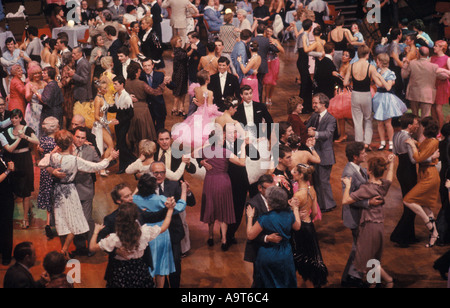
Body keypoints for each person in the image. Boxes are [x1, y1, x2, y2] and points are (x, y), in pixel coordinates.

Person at [38, 130, 119, 258]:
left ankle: (64, 250)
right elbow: (97, 166)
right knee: (76, 221)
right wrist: (110, 158)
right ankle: (64, 249)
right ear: (70, 143)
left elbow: (41, 163)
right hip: (70, 192)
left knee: (61, 222)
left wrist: (53, 153)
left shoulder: (54, 157)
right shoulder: (74, 160)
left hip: (58, 192)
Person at [90, 201, 176, 288]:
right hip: (140, 270)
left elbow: (92, 248)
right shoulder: (144, 233)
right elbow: (164, 227)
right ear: (136, 217)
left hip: (120, 272)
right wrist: (170, 209)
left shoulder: (115, 238)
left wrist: (96, 231)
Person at [341, 154, 396, 288]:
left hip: (369, 227)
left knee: (365, 259)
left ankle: (388, 280)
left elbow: (345, 201)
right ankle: (373, 283)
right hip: (379, 226)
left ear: (369, 171)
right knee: (373, 257)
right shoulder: (383, 185)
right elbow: (390, 176)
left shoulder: (366, 189)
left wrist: (347, 185)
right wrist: (391, 163)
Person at [133, 174, 187, 288]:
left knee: (145, 262)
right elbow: (180, 207)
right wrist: (184, 191)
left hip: (142, 234)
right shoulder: (160, 199)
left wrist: (135, 190)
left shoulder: (134, 199)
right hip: (161, 234)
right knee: (160, 266)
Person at [197, 129, 247, 251]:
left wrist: (203, 161)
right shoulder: (225, 151)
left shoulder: (204, 151)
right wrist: (243, 146)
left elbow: (192, 154)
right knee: (224, 210)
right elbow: (242, 163)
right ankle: (224, 240)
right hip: (223, 181)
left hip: (209, 181)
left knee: (210, 208)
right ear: (220, 140)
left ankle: (210, 237)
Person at [246, 186, 301, 288]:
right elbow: (297, 226)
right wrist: (295, 208)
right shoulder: (289, 215)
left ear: (269, 201)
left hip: (268, 254)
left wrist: (250, 217)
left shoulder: (265, 218)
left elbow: (250, 235)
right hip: (285, 254)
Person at [403, 119, 441, 248]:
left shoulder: (433, 141)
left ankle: (428, 224)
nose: (421, 128)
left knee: (408, 200)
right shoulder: (429, 140)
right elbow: (424, 151)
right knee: (426, 206)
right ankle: (435, 234)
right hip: (424, 174)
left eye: (423, 126)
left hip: (430, 176)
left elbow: (418, 158)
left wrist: (413, 146)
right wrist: (417, 144)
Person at [290, 163, 328, 288]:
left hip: (301, 229)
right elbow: (315, 212)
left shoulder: (298, 195)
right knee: (312, 256)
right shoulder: (312, 190)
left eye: (295, 172)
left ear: (301, 175)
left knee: (302, 257)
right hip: (310, 226)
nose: (292, 173)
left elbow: (292, 218)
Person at [0, 109, 39, 229]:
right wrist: (19, 138)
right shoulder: (7, 131)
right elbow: (8, 148)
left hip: (25, 160)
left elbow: (36, 141)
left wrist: (24, 137)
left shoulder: (26, 129)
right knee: (12, 188)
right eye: (12, 117)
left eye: (16, 117)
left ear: (21, 118)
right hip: (12, 159)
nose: (13, 120)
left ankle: (25, 219)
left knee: (25, 191)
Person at [344, 45, 388, 150]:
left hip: (355, 94)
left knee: (357, 120)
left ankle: (359, 143)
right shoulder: (371, 67)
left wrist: (351, 79)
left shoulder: (352, 66)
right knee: (368, 119)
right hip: (366, 95)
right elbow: (379, 84)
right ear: (367, 54)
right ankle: (366, 143)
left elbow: (345, 82)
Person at [401, 47, 450, 137]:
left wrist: (405, 64)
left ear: (419, 54)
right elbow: (444, 76)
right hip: (427, 94)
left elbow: (404, 75)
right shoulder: (433, 66)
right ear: (428, 55)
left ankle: (415, 136)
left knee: (414, 116)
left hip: (414, 93)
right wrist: (444, 70)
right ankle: (422, 138)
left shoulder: (412, 63)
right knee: (425, 118)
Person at [390, 113, 421, 247]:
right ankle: (399, 235)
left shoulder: (396, 134)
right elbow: (414, 160)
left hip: (401, 170)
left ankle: (409, 236)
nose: (417, 126)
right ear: (409, 126)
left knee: (408, 203)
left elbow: (396, 152)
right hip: (409, 172)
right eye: (416, 123)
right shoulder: (407, 138)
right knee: (411, 204)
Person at [172, 70, 222, 151]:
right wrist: (219, 113)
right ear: (207, 80)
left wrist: (197, 102)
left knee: (196, 132)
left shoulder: (196, 89)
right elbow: (209, 108)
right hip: (206, 115)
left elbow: (201, 103)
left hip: (198, 112)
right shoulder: (209, 92)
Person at [305, 93, 337, 212]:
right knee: (317, 181)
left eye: (316, 103)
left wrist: (315, 134)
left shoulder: (331, 119)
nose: (313, 105)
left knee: (323, 181)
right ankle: (321, 204)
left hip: (325, 155)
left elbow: (328, 134)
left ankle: (329, 204)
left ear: (323, 104)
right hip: (315, 154)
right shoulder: (314, 116)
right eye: (313, 103)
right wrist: (308, 130)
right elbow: (307, 127)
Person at [125, 61, 165, 155]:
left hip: (131, 111)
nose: (140, 73)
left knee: (134, 135)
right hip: (143, 111)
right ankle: (145, 154)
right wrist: (163, 84)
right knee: (144, 135)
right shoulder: (141, 83)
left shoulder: (125, 83)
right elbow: (155, 92)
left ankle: (134, 153)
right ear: (136, 73)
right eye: (139, 71)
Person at [372, 53, 407, 151]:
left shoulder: (390, 73)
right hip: (379, 98)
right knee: (379, 122)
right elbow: (379, 84)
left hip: (387, 99)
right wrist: (382, 79)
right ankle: (382, 142)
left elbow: (388, 87)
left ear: (378, 62)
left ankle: (391, 142)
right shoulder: (377, 72)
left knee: (388, 122)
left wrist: (381, 77)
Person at [37, 117, 59, 240]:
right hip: (54, 171)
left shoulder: (43, 140)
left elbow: (39, 153)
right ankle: (57, 224)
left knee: (47, 196)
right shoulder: (57, 141)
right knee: (55, 196)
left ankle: (47, 223)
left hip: (45, 172)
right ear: (55, 127)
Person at [91, 80, 118, 176]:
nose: (106, 90)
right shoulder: (98, 99)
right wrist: (109, 122)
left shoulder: (102, 97)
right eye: (104, 88)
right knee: (110, 145)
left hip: (103, 125)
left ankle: (102, 167)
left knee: (107, 146)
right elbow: (96, 116)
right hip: (99, 126)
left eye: (106, 88)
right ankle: (102, 168)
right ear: (99, 89)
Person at [328, 49, 353, 143]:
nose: (343, 56)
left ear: (350, 58)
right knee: (340, 117)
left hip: (345, 92)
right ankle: (342, 135)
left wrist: (337, 75)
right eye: (343, 55)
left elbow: (347, 81)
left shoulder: (349, 67)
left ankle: (361, 133)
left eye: (346, 55)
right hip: (340, 91)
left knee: (347, 117)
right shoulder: (343, 65)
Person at [35, 66, 64, 135]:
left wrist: (36, 92)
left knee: (50, 132)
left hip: (51, 113)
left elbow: (45, 99)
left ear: (49, 75)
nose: (42, 75)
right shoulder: (54, 84)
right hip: (56, 111)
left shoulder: (50, 86)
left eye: (44, 73)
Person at [431, 40, 450, 130]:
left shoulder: (447, 58)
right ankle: (435, 127)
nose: (434, 47)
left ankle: (441, 129)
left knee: (438, 107)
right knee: (432, 107)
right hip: (433, 83)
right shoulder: (432, 58)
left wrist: (442, 70)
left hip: (442, 85)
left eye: (436, 46)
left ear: (442, 48)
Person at [262, 26, 284, 106]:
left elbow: (282, 51)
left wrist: (274, 44)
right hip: (266, 62)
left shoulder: (275, 40)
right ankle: (267, 97)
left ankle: (269, 97)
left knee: (273, 82)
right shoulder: (263, 40)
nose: (268, 33)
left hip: (274, 62)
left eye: (270, 31)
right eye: (267, 31)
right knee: (267, 81)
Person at [24, 64, 46, 140]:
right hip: (32, 110)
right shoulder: (28, 85)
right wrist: (32, 92)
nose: (37, 75)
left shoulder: (44, 83)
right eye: (35, 74)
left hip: (43, 109)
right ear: (31, 75)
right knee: (33, 129)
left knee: (42, 129)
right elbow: (27, 98)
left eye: (39, 73)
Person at [0, 155, 14, 266]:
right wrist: (8, 171)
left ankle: (5, 253)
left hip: (6, 196)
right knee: (5, 227)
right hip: (2, 198)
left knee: (6, 226)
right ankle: (5, 256)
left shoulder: (3, 156)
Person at [170, 36, 189, 117]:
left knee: (183, 92)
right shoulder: (177, 52)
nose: (181, 42)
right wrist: (192, 49)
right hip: (179, 74)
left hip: (183, 73)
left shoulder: (179, 50)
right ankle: (174, 108)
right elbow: (186, 55)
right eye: (179, 41)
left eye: (181, 40)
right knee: (178, 92)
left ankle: (181, 108)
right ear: (175, 43)